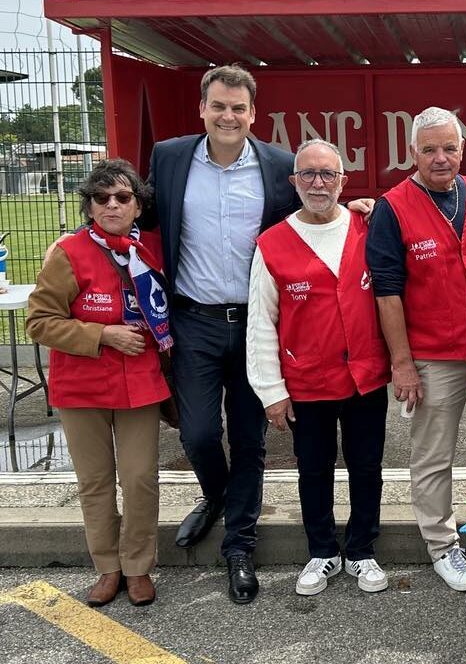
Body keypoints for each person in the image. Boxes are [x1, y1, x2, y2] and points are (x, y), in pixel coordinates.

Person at [147, 64, 371, 604]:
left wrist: (359, 207)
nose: (228, 116)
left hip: (255, 320)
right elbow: (139, 210)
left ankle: (239, 547)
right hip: (194, 319)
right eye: (219, 106)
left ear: (254, 113)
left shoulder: (278, 165)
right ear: (202, 108)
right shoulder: (170, 158)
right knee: (198, 434)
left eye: (239, 108)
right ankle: (216, 496)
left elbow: (316, 209)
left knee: (249, 439)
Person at [366, 106, 466, 591]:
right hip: (432, 355)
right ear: (413, 153)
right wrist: (402, 364)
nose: (440, 158)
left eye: (449, 148)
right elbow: (386, 291)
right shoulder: (393, 206)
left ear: (463, 150)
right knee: (433, 455)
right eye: (430, 150)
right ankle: (443, 547)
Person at [245, 139, 391, 597]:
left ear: (344, 181)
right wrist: (271, 390)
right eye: (308, 174)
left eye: (328, 174)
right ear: (294, 182)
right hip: (307, 380)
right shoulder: (272, 244)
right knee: (314, 468)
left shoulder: (369, 226)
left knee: (367, 467)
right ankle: (323, 552)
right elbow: (260, 322)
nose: (318, 183)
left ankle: (363, 550)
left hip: (366, 376)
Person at [26, 159, 171, 607]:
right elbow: (39, 322)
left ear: (138, 205)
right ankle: (108, 567)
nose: (112, 205)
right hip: (82, 386)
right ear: (89, 206)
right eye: (101, 198)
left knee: (140, 478)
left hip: (139, 384)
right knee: (95, 481)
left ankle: (137, 566)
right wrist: (101, 334)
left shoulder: (150, 251)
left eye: (123, 197)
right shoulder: (68, 253)